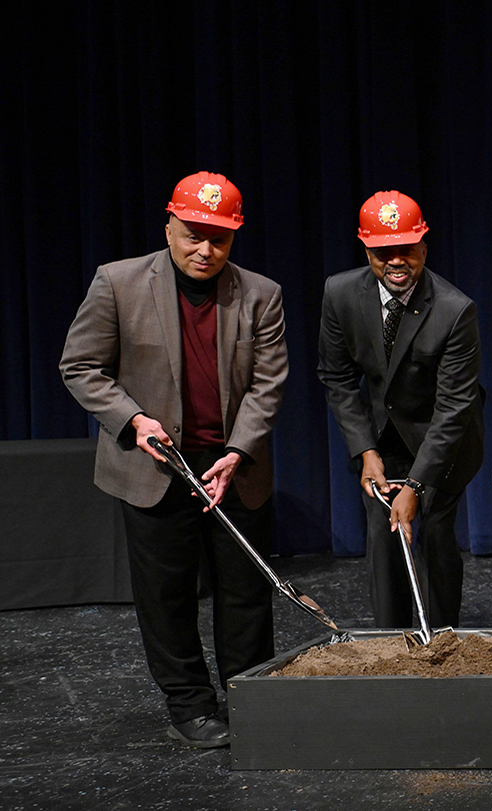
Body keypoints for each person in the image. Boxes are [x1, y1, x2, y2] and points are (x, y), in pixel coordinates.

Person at [59, 171, 286, 748]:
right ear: (169, 226)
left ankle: (249, 695)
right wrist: (133, 420)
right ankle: (189, 704)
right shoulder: (118, 282)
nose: (205, 250)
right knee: (168, 596)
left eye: (219, 238)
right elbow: (81, 367)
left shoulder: (261, 293)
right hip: (155, 466)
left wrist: (237, 451)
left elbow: (267, 385)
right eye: (192, 235)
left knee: (244, 592)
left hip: (236, 466)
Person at [317, 190, 484, 629]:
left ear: (423, 249)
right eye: (382, 251)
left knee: (429, 532)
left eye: (406, 250)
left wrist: (415, 485)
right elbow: (336, 378)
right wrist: (366, 452)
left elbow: (454, 407)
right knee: (383, 535)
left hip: (443, 440)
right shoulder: (340, 293)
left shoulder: (454, 310)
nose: (395, 261)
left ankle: (440, 640)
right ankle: (391, 644)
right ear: (367, 250)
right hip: (382, 438)